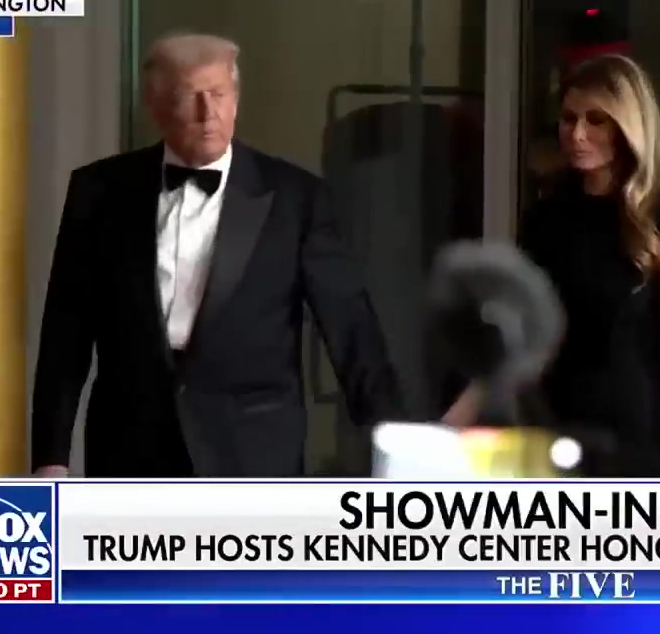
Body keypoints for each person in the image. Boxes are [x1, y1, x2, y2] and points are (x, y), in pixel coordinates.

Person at [31, 33, 402, 478]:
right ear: (156, 107)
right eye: (190, 97)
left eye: (219, 94)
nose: (209, 113)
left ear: (236, 100)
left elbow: (351, 328)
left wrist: (398, 453)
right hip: (129, 450)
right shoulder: (99, 191)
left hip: (253, 454)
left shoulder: (296, 197)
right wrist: (50, 458)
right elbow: (65, 331)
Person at [444, 54, 660, 470]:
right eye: (569, 119)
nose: (578, 134)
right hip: (553, 430)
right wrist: (452, 426)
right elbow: (519, 338)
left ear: (628, 126)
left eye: (596, 120)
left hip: (635, 436)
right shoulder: (548, 215)